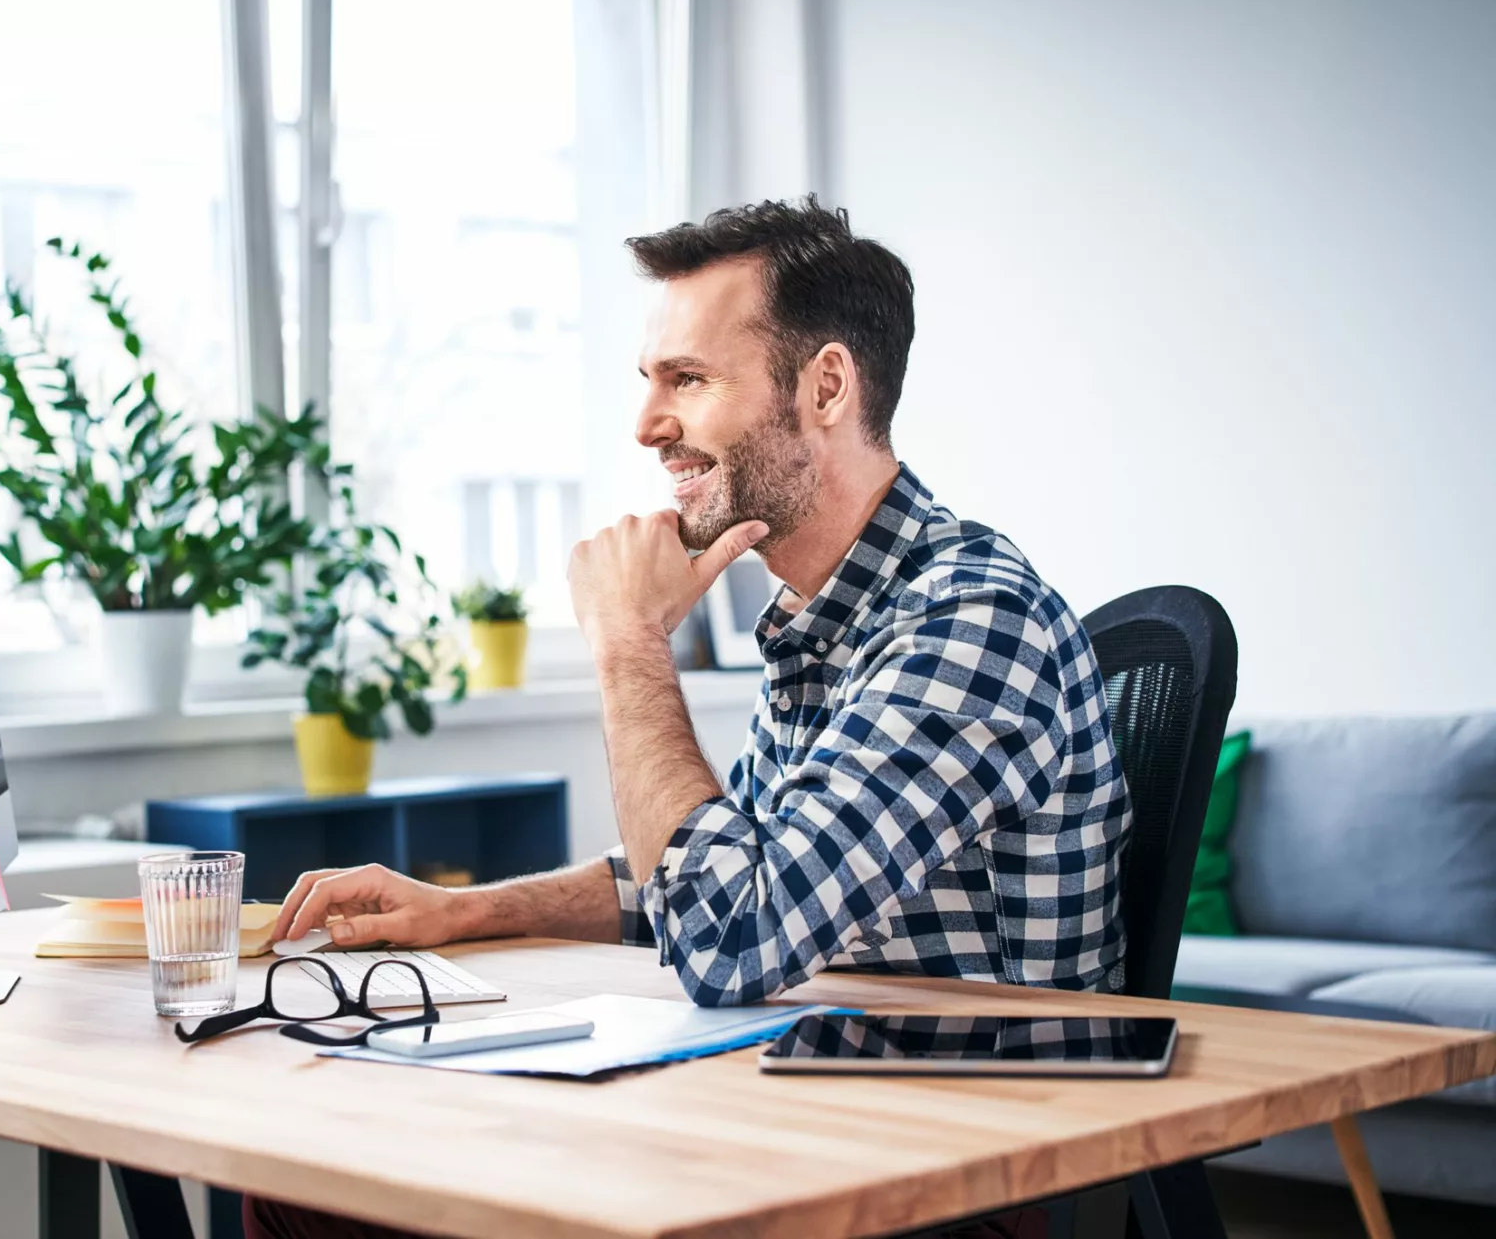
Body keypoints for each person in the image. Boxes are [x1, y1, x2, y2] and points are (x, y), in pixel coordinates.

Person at [246, 197, 1129, 1239]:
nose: (647, 424)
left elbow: (731, 938)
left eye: (689, 380)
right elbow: (707, 875)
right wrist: (466, 912)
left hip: (954, 1176)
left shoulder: (969, 621)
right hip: (806, 1116)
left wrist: (629, 642)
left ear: (827, 386)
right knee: (316, 1185)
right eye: (651, 381)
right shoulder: (827, 621)